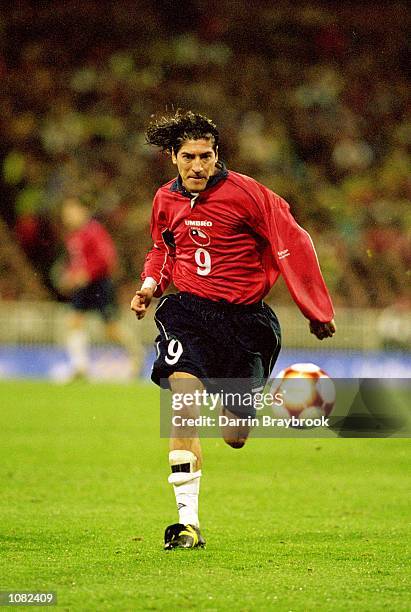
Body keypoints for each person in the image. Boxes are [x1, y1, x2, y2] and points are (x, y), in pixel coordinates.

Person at [130, 110, 336, 550]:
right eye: (188, 157)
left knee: (234, 435)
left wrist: (315, 307)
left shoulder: (250, 195)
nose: (198, 166)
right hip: (186, 312)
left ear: (217, 154)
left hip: (245, 323)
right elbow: (162, 248)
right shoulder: (164, 199)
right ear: (173, 157)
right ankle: (187, 524)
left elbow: (293, 241)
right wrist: (150, 286)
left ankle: (267, 393)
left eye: (205, 156)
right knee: (182, 403)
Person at [60, 196, 141, 380]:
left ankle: (137, 354)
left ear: (83, 211)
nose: (68, 216)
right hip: (83, 286)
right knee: (74, 321)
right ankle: (79, 366)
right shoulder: (73, 235)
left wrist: (87, 273)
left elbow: (107, 259)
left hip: (100, 284)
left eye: (71, 211)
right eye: (66, 213)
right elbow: (77, 262)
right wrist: (71, 275)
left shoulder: (94, 230)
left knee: (111, 329)